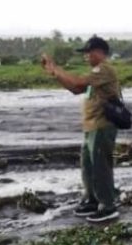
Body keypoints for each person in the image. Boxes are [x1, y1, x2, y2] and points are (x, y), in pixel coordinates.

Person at [41, 35, 120, 222]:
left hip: (102, 126)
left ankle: (108, 205)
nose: (86, 56)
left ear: (100, 52)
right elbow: (75, 89)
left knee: (101, 167)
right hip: (91, 126)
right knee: (88, 167)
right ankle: (92, 200)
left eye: (88, 52)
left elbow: (77, 83)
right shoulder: (96, 73)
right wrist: (55, 73)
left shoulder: (104, 69)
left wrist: (55, 69)